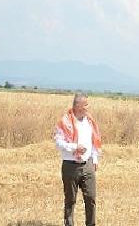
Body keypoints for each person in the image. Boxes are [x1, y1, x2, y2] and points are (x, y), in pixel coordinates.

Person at [54, 93, 101, 226]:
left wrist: (95, 159)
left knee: (91, 198)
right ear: (77, 105)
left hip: (88, 165)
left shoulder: (90, 121)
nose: (88, 107)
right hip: (70, 166)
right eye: (85, 104)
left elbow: (94, 142)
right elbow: (58, 143)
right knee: (70, 200)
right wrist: (74, 147)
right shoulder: (65, 122)